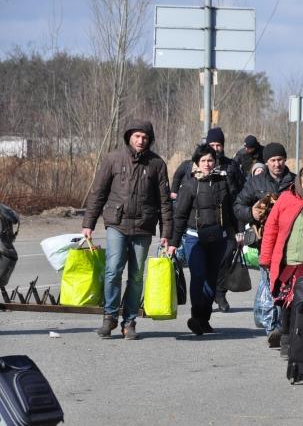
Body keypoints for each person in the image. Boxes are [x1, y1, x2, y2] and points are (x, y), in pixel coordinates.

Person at [82, 120, 173, 340]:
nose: (141, 140)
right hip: (117, 222)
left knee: (136, 275)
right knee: (113, 270)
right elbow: (98, 193)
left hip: (143, 226)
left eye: (145, 137)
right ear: (129, 137)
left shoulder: (157, 164)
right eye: (137, 136)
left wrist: (166, 233)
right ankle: (109, 317)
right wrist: (88, 223)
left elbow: (164, 202)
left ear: (149, 140)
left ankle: (129, 322)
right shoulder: (113, 159)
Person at [259, 165, 303, 357]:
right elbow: (271, 229)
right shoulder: (286, 199)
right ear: (299, 182)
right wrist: (265, 258)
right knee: (287, 304)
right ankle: (285, 340)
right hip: (288, 263)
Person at [167, 144, 239, 335]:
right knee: (198, 276)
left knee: (211, 279)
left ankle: (204, 319)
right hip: (194, 238)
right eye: (203, 160)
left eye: (210, 160)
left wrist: (237, 233)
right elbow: (180, 216)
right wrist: (173, 243)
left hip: (219, 238)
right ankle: (196, 316)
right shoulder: (190, 185)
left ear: (215, 161)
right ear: (196, 163)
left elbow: (231, 210)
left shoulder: (223, 183)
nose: (207, 164)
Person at [234, 142, 296, 347]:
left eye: (280, 159)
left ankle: (280, 324)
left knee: (286, 286)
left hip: (291, 242)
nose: (277, 164)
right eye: (272, 160)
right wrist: (250, 213)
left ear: (285, 160)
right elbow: (238, 206)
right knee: (270, 284)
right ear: (266, 162)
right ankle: (272, 327)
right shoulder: (255, 182)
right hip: (266, 242)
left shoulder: (294, 182)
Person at [205, 127, 246, 313]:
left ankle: (220, 294)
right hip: (205, 222)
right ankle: (207, 295)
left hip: (229, 221)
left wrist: (240, 229)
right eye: (212, 144)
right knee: (205, 262)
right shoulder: (199, 164)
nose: (215, 148)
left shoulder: (232, 166)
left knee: (225, 259)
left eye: (218, 145)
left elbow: (241, 196)